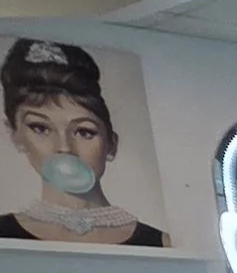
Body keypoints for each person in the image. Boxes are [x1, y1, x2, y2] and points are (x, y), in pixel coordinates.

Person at [0, 39, 167, 245]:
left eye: (84, 132)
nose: (64, 147)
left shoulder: (159, 242)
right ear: (15, 135)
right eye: (40, 128)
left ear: (111, 144)